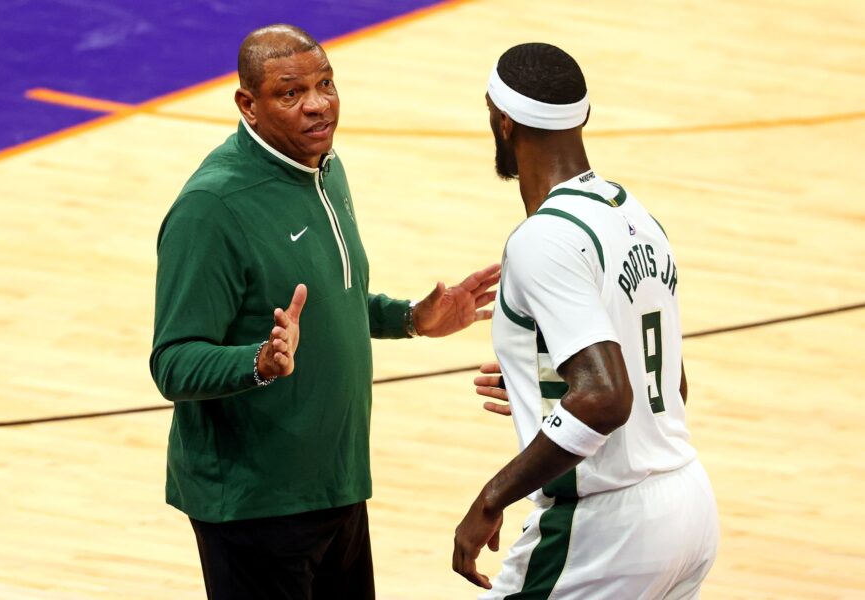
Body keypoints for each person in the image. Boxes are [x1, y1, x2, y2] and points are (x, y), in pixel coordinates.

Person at [150, 24, 499, 600]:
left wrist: (412, 317)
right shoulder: (211, 209)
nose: (318, 105)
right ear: (249, 105)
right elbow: (173, 361)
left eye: (326, 84)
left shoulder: (323, 168)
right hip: (253, 505)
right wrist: (258, 363)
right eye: (290, 93)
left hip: (335, 484)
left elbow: (335, 302)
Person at [452, 43, 719, 598]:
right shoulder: (636, 215)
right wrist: (544, 383)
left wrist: (490, 498)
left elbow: (604, 397)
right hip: (688, 505)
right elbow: (669, 383)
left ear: (502, 121)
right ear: (584, 116)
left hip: (606, 528)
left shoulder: (542, 238)